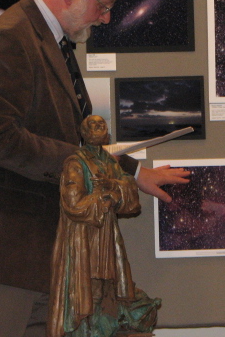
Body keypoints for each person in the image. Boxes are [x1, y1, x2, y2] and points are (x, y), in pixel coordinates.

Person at [0, 0, 190, 337]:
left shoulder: (47, 37)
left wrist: (135, 173)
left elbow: (68, 131)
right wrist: (84, 167)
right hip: (5, 255)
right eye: (104, 5)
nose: (107, 17)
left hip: (40, 253)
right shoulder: (11, 40)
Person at [48, 115, 160, 337]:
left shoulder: (109, 162)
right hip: (83, 237)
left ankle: (103, 325)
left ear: (107, 133)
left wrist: (112, 187)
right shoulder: (75, 163)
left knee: (109, 283)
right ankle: (87, 329)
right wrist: (105, 197)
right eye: (93, 125)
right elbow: (73, 203)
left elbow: (131, 199)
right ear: (84, 133)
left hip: (107, 234)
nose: (98, 128)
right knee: (89, 287)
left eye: (102, 125)